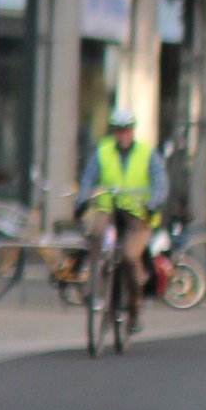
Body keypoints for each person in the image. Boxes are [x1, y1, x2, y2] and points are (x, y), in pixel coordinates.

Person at [80, 104, 166, 332]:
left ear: (133, 130)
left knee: (129, 257)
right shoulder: (103, 150)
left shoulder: (147, 153)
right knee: (95, 234)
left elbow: (160, 183)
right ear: (113, 131)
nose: (122, 134)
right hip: (109, 207)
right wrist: (81, 200)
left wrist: (153, 202)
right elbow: (88, 178)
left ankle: (134, 311)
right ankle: (92, 284)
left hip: (138, 213)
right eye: (118, 130)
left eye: (126, 129)